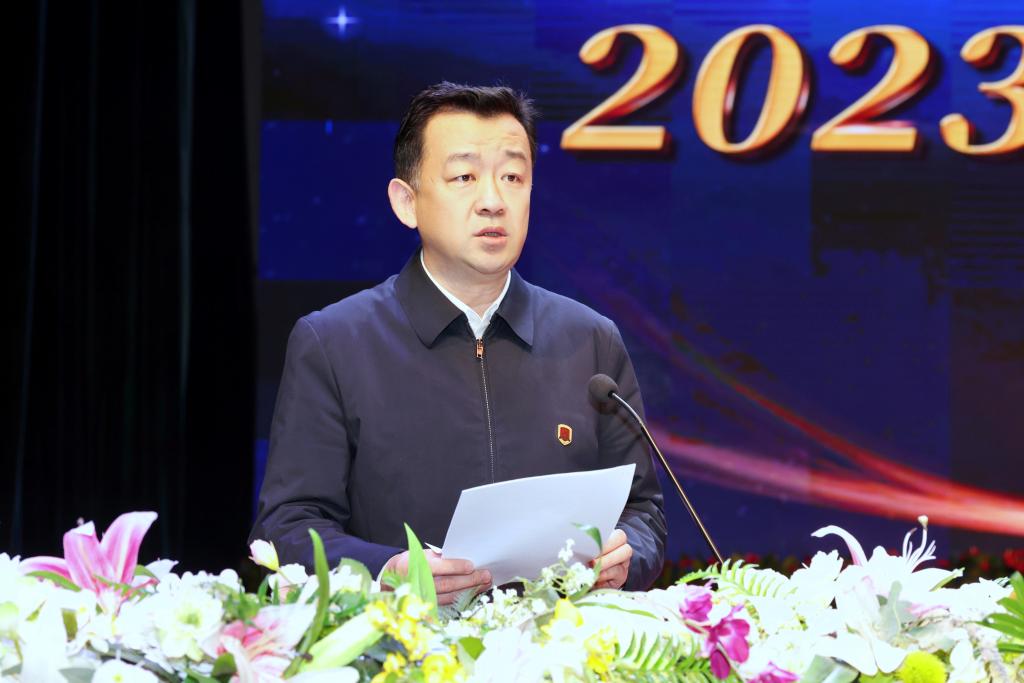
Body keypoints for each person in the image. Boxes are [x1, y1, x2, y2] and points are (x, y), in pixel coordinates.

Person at [251, 83, 666, 602]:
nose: (493, 202)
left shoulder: (590, 341)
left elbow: (642, 511)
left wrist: (627, 555)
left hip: (559, 644)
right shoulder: (334, 342)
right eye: (464, 177)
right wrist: (386, 572)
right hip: (404, 641)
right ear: (407, 202)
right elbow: (287, 529)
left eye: (512, 177)